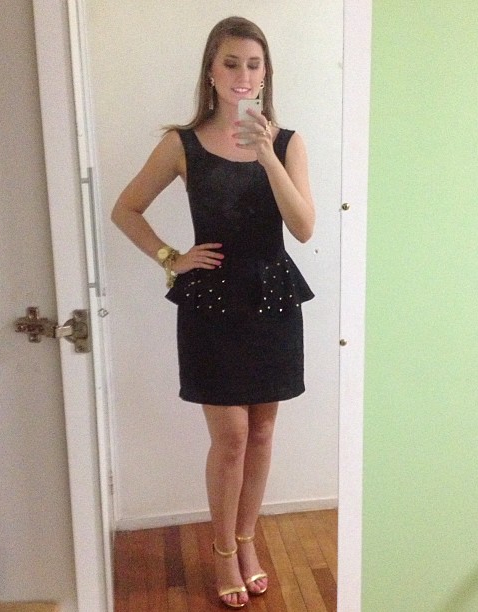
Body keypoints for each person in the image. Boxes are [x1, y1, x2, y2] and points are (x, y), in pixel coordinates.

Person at [111, 16, 315, 609]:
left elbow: (304, 228)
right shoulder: (182, 144)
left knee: (263, 432)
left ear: (266, 73)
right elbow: (126, 209)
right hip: (212, 304)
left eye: (254, 64)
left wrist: (267, 155)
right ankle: (223, 550)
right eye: (231, 63)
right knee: (230, 439)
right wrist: (170, 258)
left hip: (273, 300)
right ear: (211, 70)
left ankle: (247, 541)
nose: (242, 75)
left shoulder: (288, 143)